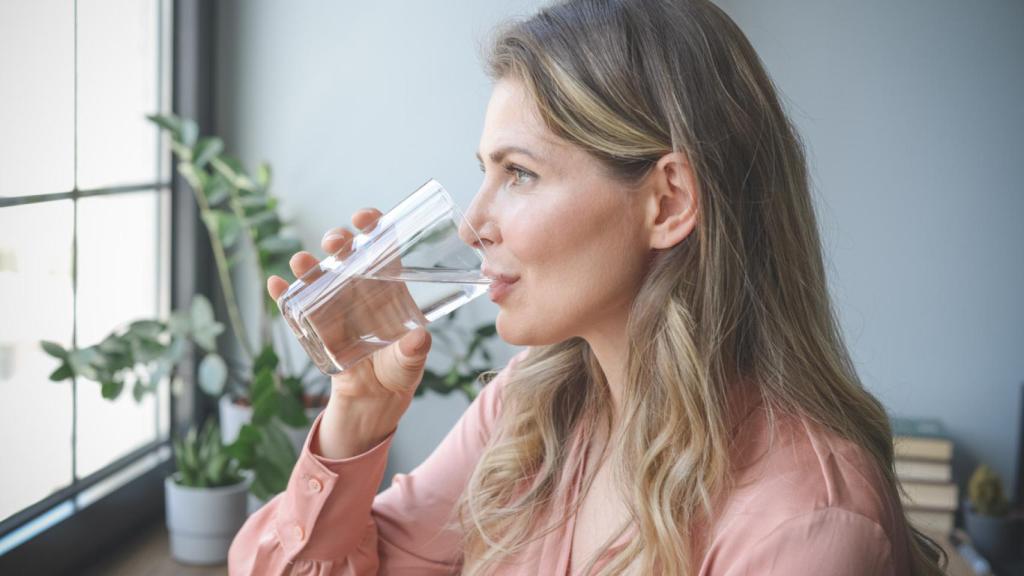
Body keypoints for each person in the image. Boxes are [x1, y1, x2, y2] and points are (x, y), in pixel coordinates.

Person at [229, 0, 949, 574]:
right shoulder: (531, 408)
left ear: (666, 202)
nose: (475, 222)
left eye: (519, 173)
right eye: (484, 170)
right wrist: (359, 413)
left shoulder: (804, 528)